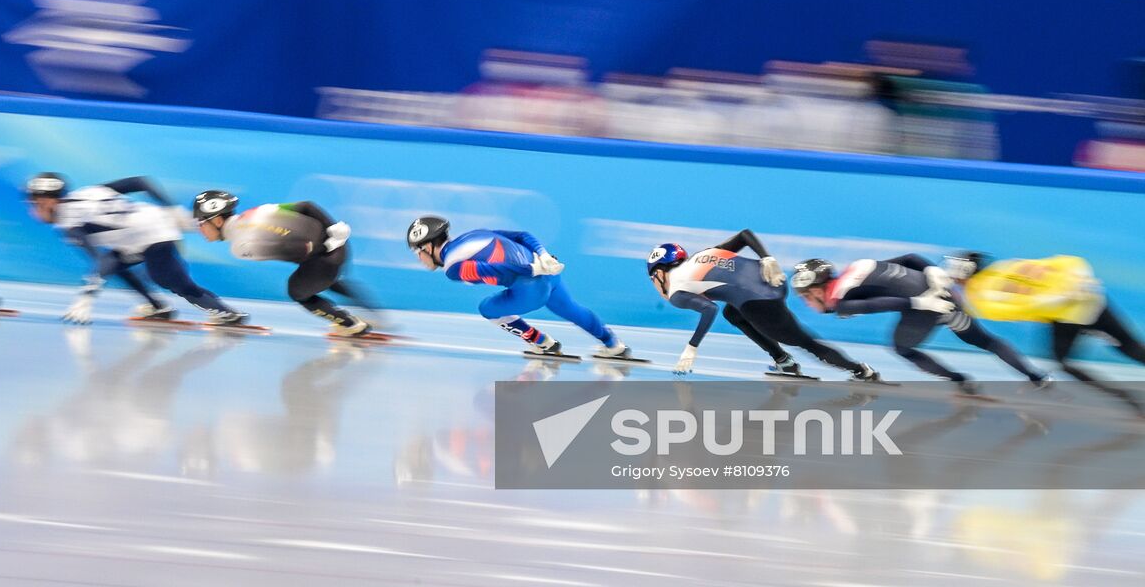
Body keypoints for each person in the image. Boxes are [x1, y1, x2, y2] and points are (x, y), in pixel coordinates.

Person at [790, 254, 1050, 393]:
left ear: (816, 290)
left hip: (925, 307)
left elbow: (884, 304)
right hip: (942, 292)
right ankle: (1037, 377)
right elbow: (912, 258)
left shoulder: (840, 301)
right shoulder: (857, 266)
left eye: (805, 297)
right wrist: (933, 272)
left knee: (903, 348)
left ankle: (960, 380)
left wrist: (921, 304)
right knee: (982, 339)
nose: (806, 304)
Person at [647, 230, 877, 380]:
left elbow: (709, 309)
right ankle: (783, 361)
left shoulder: (677, 292)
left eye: (652, 278)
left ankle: (860, 370)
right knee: (732, 313)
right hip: (773, 279)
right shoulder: (702, 256)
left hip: (759, 303)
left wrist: (692, 347)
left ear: (659, 273)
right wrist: (768, 258)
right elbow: (745, 235)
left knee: (808, 343)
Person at [24, 172, 246, 325]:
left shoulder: (69, 224)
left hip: (153, 237)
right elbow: (141, 182)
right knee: (120, 266)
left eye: (37, 203)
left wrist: (87, 295)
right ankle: (158, 307)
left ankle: (227, 314)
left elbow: (100, 261)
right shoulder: (88, 192)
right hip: (147, 230)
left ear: (52, 202)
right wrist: (170, 207)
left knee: (177, 284)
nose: (34, 209)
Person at [406, 215, 634, 359]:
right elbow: (523, 235)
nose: (418, 258)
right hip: (546, 272)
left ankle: (542, 342)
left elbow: (498, 271)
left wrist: (531, 270)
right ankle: (614, 344)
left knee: (487, 308)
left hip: (529, 284)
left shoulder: (453, 267)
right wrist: (544, 257)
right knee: (572, 309)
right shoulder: (474, 234)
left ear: (428, 246)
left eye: (417, 252)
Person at [948, 252, 1145, 392]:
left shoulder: (982, 297)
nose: (954, 278)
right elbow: (1069, 261)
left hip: (1068, 313)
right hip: (1090, 295)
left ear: (964, 273)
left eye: (955, 273)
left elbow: (1028, 307)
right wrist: (1080, 279)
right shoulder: (1004, 266)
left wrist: (1062, 297)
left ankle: (1127, 399)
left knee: (1064, 363)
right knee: (1130, 347)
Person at [192, 190, 377, 336]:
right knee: (321, 279)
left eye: (201, 223)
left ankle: (351, 325)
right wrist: (334, 231)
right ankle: (371, 311)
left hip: (324, 257)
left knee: (297, 291)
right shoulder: (257, 212)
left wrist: (324, 249)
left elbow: (297, 249)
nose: (200, 230)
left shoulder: (240, 246)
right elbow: (307, 206)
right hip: (337, 240)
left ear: (216, 220)